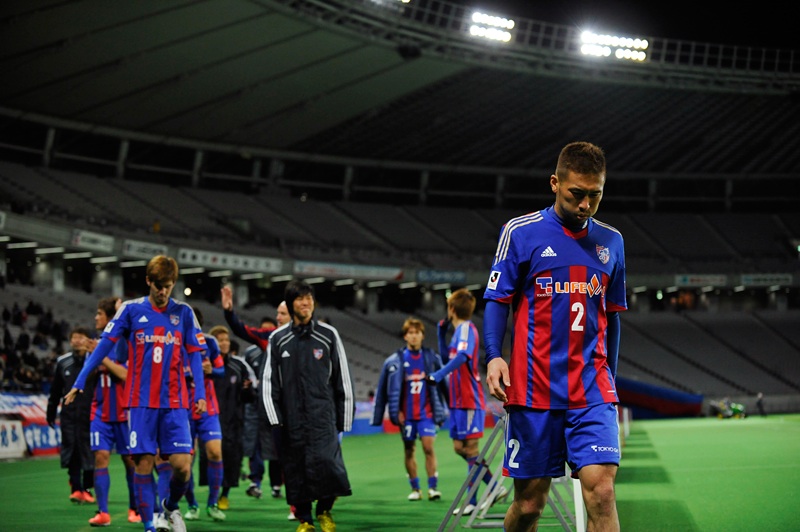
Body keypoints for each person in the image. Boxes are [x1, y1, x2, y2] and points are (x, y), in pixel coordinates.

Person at [483, 141, 627, 532]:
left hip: (591, 387)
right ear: (554, 183)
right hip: (533, 391)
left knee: (602, 491)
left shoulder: (612, 242)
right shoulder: (520, 232)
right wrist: (494, 355)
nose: (585, 205)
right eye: (576, 194)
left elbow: (612, 317)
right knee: (529, 504)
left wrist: (608, 379)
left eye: (594, 195)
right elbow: (497, 300)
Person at [64, 255, 208, 532]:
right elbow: (105, 345)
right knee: (142, 464)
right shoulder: (130, 310)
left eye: (168, 285)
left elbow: (195, 356)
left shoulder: (185, 313)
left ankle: (169, 507)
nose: (163, 291)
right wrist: (81, 380)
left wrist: (199, 393)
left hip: (176, 402)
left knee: (183, 467)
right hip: (141, 403)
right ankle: (151, 526)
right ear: (148, 282)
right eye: (158, 285)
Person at [262, 280, 354, 532]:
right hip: (290, 419)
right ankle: (305, 520)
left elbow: (342, 378)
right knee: (295, 470)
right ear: (291, 304)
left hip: (323, 416)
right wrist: (275, 420)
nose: (306, 303)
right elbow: (269, 383)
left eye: (309, 298)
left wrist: (344, 420)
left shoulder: (328, 335)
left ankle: (324, 511)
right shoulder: (277, 339)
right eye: (301, 299)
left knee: (330, 466)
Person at [428, 288, 505, 515]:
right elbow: (448, 358)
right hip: (458, 400)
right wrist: (441, 336)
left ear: (451, 308)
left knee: (471, 449)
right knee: (460, 448)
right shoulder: (458, 332)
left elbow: (462, 358)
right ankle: (494, 486)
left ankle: (471, 501)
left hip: (469, 399)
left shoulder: (467, 330)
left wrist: (439, 375)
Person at [371, 317, 448, 502]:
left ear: (422, 336)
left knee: (428, 447)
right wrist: (383, 414)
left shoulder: (431, 358)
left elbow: (444, 383)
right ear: (405, 336)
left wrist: (449, 405)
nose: (414, 336)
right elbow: (382, 390)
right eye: (410, 333)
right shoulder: (394, 361)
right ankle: (415, 488)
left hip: (427, 414)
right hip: (406, 415)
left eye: (417, 333)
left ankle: (433, 487)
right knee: (409, 449)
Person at [84, 297, 141, 526]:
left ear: (109, 318)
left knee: (131, 462)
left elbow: (125, 374)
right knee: (101, 457)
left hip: (124, 411)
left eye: (99, 314)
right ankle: (103, 512)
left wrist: (101, 356)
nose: (96, 318)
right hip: (100, 411)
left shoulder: (123, 344)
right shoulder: (98, 343)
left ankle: (135, 508)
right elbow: (89, 374)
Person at [170, 307, 226, 523]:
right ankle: (192, 504)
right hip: (183, 408)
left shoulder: (209, 342)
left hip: (208, 407)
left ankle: (213, 503)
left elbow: (221, 370)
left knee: (214, 452)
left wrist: (211, 369)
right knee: (186, 462)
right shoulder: (172, 341)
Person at [208, 324, 258, 511]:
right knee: (209, 459)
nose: (225, 343)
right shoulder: (206, 365)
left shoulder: (238, 366)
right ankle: (204, 499)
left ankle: (224, 495)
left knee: (230, 460)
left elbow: (250, 397)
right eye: (220, 340)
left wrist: (247, 389)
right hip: (209, 420)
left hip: (233, 422)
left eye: (227, 339)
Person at [46, 326, 96, 505]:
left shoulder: (96, 361)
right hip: (68, 414)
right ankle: (76, 488)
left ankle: (88, 488)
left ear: (88, 340)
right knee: (71, 450)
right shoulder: (62, 362)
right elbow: (55, 390)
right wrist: (51, 412)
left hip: (90, 414)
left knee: (90, 452)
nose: (77, 340)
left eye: (81, 337)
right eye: (74, 337)